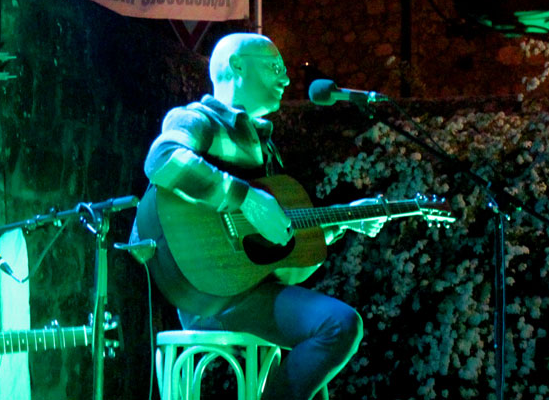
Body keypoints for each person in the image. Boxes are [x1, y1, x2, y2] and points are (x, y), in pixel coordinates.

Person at [135, 33, 385, 400]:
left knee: (325, 351)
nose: (286, 78)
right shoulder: (199, 119)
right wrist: (245, 198)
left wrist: (344, 221)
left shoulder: (264, 146)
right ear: (237, 66)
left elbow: (281, 237)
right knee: (339, 324)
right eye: (274, 68)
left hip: (251, 287)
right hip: (213, 291)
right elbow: (163, 159)